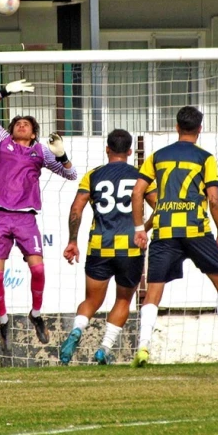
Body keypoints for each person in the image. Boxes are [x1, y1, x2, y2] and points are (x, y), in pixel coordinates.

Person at [130, 106, 218, 367]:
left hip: (164, 230)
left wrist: (140, 229)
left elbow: (138, 193)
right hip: (196, 229)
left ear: (177, 127)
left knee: (153, 290)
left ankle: (142, 348)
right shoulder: (205, 158)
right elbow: (214, 198)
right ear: (200, 128)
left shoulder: (157, 156)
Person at [0, 79, 77, 351]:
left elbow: (71, 175)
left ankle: (35, 314)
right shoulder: (1, 141)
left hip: (25, 218)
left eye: (27, 124)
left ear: (34, 133)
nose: (21, 125)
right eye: (17, 124)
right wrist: (5, 91)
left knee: (38, 269)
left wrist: (63, 155)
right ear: (11, 131)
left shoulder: (41, 152)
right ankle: (2, 320)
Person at [60, 129, 157, 365]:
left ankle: (77, 330)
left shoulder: (93, 176)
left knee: (92, 300)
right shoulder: (141, 176)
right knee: (123, 300)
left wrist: (73, 240)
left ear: (107, 149)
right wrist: (143, 227)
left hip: (99, 247)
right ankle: (104, 348)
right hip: (130, 249)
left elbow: (76, 209)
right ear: (130, 152)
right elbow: (160, 206)